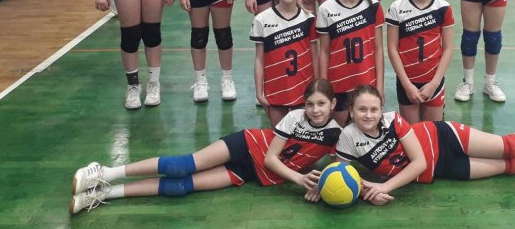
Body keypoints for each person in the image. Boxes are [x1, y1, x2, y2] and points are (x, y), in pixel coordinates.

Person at [68, 80, 342, 214]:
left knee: (181, 186)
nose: (315, 110)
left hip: (252, 173)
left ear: (332, 104)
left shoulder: (335, 135)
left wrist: (320, 187)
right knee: (181, 166)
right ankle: (106, 172)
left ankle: (105, 193)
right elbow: (271, 158)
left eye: (321, 104)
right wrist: (300, 180)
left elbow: (339, 168)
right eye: (310, 104)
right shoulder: (295, 117)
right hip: (247, 146)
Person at [335, 85, 515, 206]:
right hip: (440, 169)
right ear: (351, 111)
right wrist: (365, 193)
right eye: (362, 110)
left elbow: (419, 162)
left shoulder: (393, 120)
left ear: (381, 109)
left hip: (443, 137)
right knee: (510, 167)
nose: (368, 115)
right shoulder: (348, 137)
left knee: (509, 147)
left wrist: (384, 186)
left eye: (374, 109)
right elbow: (340, 175)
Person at [317, 0, 385, 126]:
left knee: (366, 132)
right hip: (338, 84)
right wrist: (324, 89)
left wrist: (380, 87)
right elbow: (324, 51)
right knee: (338, 135)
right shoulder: (326, 9)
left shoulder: (373, 6)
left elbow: (378, 50)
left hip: (366, 83)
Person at [386, 0, 454, 124]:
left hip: (434, 81)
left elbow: (448, 48)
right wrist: (407, 85)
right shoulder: (396, 8)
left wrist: (434, 83)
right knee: (411, 133)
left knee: (433, 132)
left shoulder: (443, 8)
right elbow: (392, 49)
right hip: (407, 82)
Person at [252, 0, 319, 126]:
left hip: (304, 91)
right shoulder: (262, 19)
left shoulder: (309, 19)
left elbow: (314, 56)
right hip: (276, 92)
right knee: (278, 135)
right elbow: (259, 60)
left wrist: (317, 87)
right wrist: (259, 92)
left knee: (304, 135)